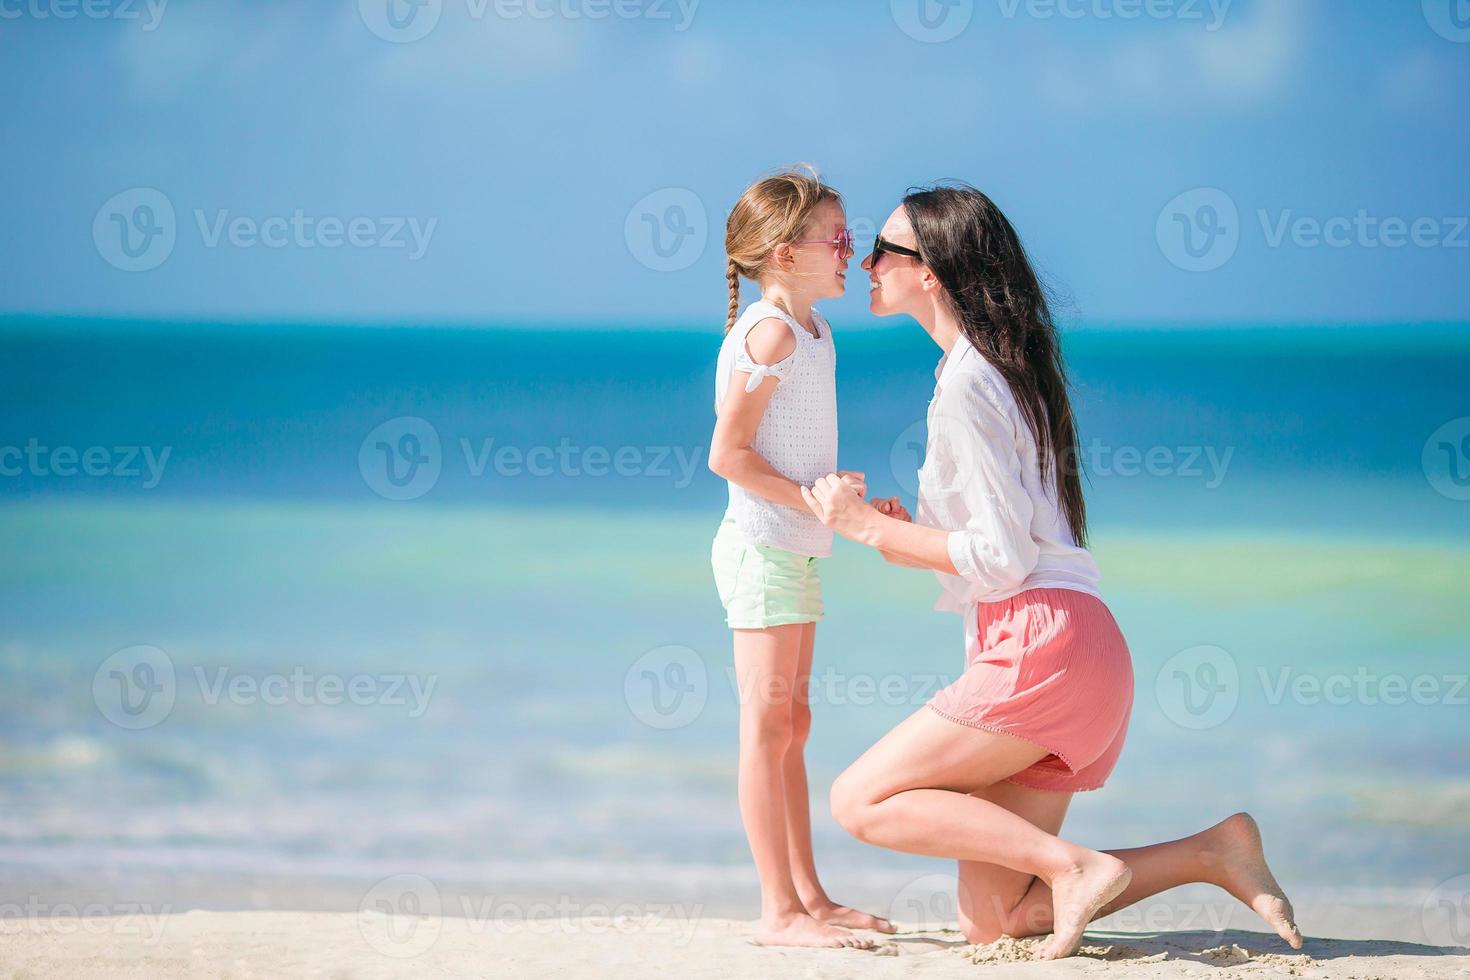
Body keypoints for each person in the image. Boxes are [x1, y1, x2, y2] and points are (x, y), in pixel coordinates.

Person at [802, 184, 1302, 960]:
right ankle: (1214, 851)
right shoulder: (1004, 373)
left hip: (1039, 647)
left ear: (931, 270)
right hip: (1086, 651)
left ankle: (1075, 867)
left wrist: (861, 526)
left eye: (883, 250)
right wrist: (905, 535)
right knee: (996, 922)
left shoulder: (967, 385)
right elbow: (1003, 543)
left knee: (859, 799)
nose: (865, 263)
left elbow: (1003, 559)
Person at [707, 167, 894, 949]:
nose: (853, 251)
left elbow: (791, 459)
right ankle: (777, 911)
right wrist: (817, 502)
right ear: (785, 253)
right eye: (840, 239)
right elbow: (729, 456)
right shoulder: (770, 333)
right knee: (765, 727)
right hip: (761, 553)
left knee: (794, 723)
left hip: (797, 551)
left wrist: (842, 500)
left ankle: (810, 897)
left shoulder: (815, 332)